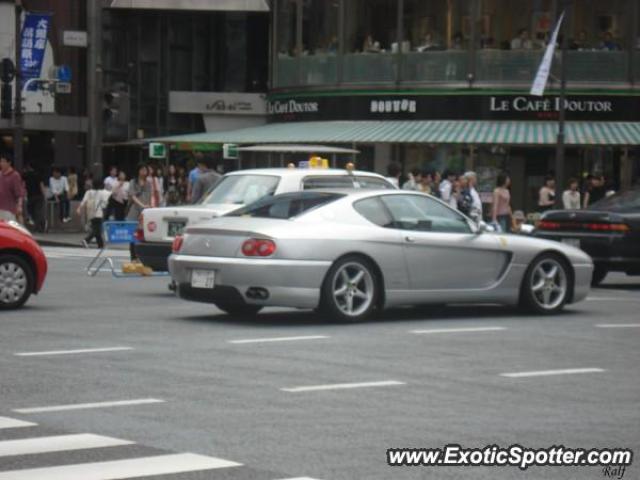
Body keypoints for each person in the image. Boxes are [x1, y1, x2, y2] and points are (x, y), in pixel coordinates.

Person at [127, 164, 152, 260]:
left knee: (143, 234)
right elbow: (132, 196)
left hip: (145, 211)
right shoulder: (133, 182)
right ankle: (133, 257)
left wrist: (148, 207)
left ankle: (141, 257)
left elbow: (149, 196)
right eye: (142, 169)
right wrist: (142, 205)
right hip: (134, 210)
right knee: (133, 234)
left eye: (145, 169)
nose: (144, 171)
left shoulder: (148, 183)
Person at [77, 179, 111, 249]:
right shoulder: (102, 192)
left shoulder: (88, 192)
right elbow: (110, 195)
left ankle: (100, 245)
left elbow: (84, 201)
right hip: (98, 213)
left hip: (90, 213)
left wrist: (79, 208)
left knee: (97, 229)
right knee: (97, 229)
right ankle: (86, 240)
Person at [0, 153, 25, 222]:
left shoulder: (15, 175)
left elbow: (19, 194)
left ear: (9, 163)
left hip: (8, 210)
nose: (1, 163)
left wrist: (19, 206)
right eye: (1, 161)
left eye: (3, 161)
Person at [23, 164, 47, 232]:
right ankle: (39, 227)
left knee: (31, 212)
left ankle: (35, 227)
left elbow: (23, 184)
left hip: (30, 196)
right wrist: (44, 195)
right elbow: (41, 186)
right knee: (38, 212)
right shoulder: (38, 175)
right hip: (39, 196)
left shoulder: (25, 175)